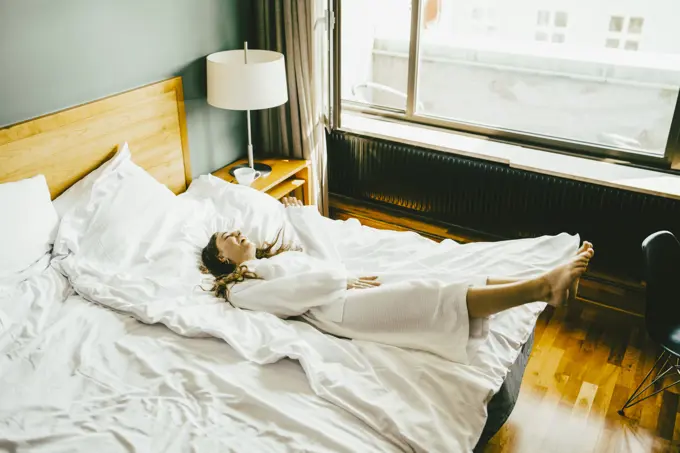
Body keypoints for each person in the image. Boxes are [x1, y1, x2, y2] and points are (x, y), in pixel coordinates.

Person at [200, 196, 594, 362]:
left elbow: (326, 260)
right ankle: (545, 288)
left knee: (445, 274)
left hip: (344, 288)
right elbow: (290, 296)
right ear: (221, 257)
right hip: (336, 309)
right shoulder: (240, 289)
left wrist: (301, 218)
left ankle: (543, 279)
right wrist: (339, 281)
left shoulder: (278, 258)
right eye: (227, 237)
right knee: (430, 295)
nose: (238, 233)